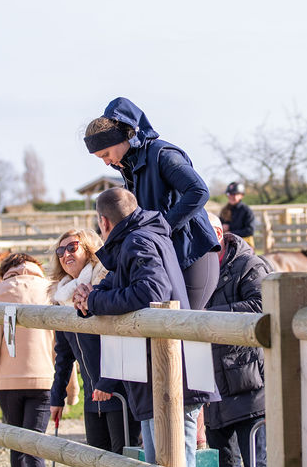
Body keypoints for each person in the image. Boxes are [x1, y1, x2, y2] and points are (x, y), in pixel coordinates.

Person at [74, 188, 215, 467]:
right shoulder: (142, 238)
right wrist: (93, 298)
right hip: (159, 374)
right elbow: (124, 286)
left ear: (104, 222)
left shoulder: (138, 242)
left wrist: (95, 302)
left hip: (168, 375)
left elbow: (152, 292)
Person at [84, 97, 220, 312]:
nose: (106, 162)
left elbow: (199, 191)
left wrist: (161, 228)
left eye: (106, 154)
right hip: (162, 253)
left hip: (193, 252)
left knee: (184, 324)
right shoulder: (128, 169)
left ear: (120, 139)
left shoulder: (163, 154)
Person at [48, 228, 138, 467]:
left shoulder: (104, 284)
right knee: (99, 461)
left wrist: (107, 382)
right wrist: (57, 395)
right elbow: (63, 353)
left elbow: (119, 336)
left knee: (122, 462)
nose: (65, 254)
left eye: (72, 247)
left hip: (117, 389)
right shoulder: (62, 298)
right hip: (91, 393)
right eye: (60, 251)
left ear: (88, 249)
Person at [0, 253, 56, 467]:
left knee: (16, 443)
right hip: (44, 377)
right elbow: (58, 341)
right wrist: (69, 386)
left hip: (7, 380)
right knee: (35, 444)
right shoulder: (51, 291)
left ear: (6, 271)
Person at [202, 213, 269, 467]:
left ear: (217, 234)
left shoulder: (249, 265)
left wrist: (205, 316)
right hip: (213, 388)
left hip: (247, 384)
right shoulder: (196, 269)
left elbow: (261, 307)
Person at [219, 182, 255, 249]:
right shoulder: (225, 210)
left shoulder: (246, 210)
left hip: (244, 243)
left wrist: (231, 232)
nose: (231, 196)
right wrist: (222, 227)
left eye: (234, 194)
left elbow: (250, 230)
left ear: (241, 195)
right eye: (229, 194)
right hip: (229, 243)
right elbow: (219, 223)